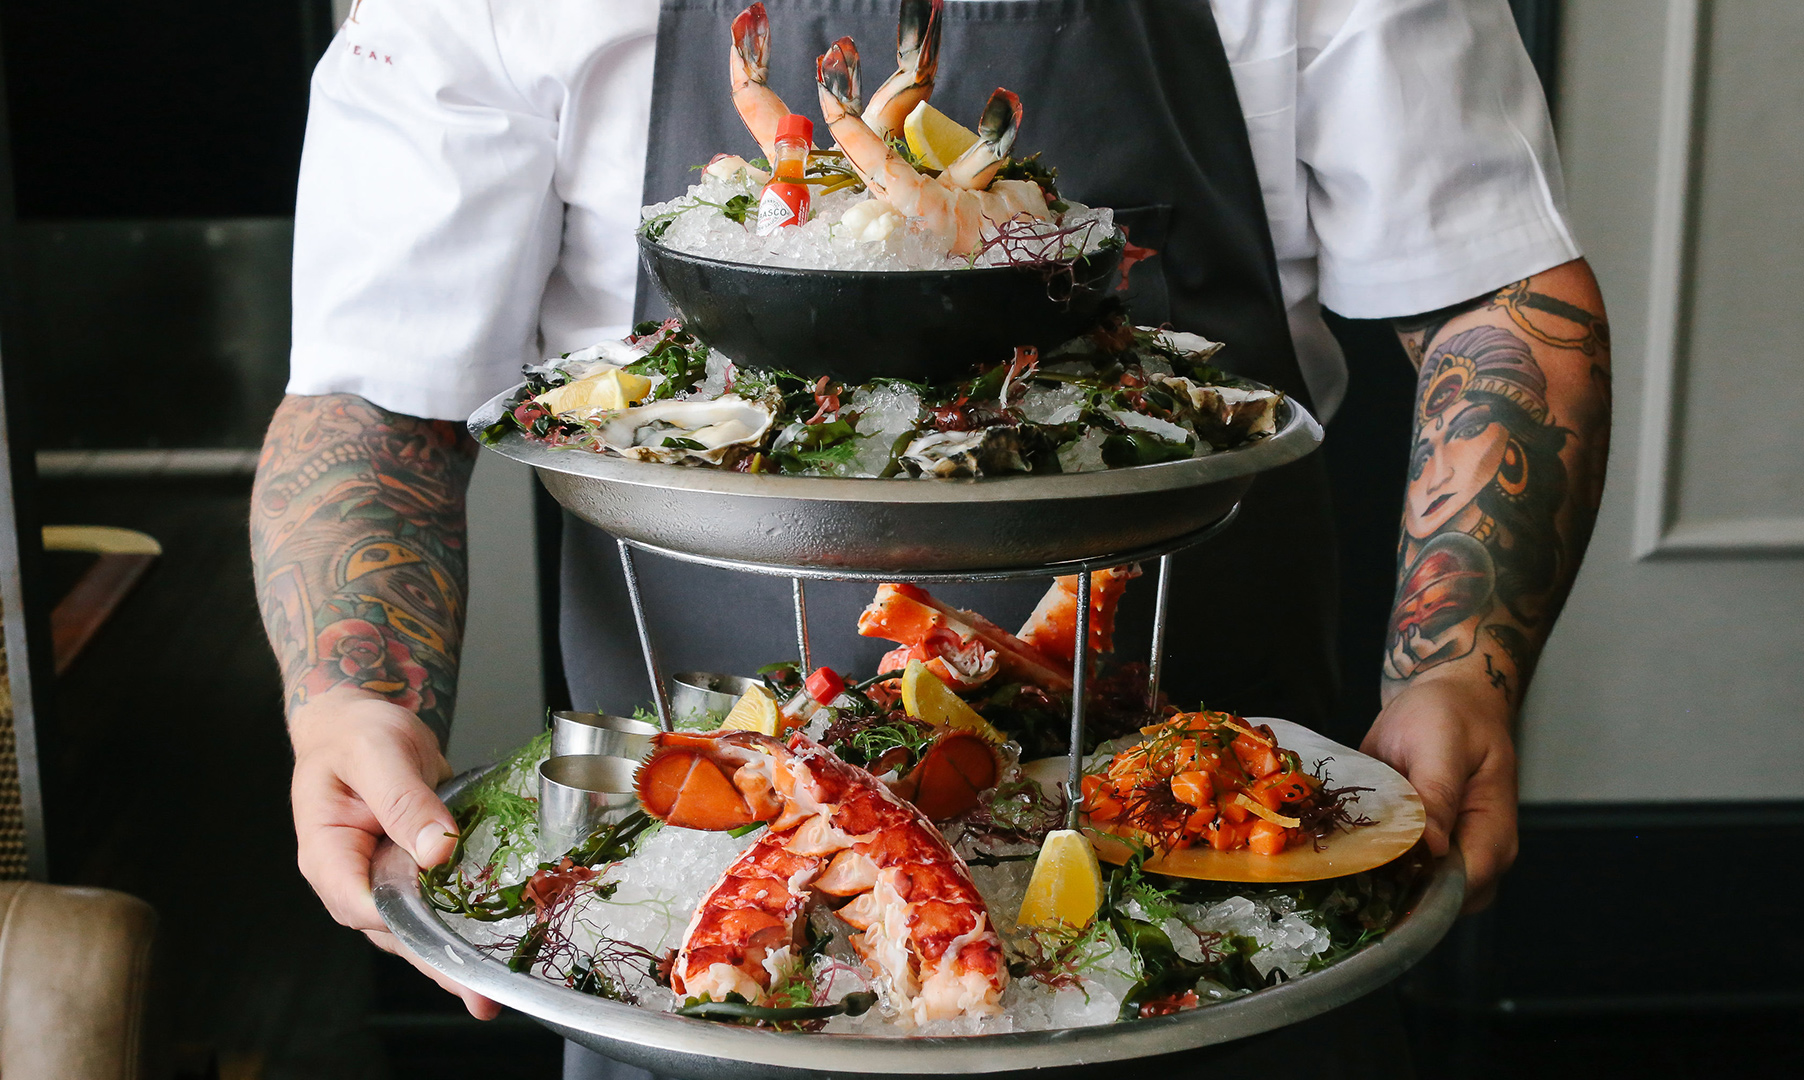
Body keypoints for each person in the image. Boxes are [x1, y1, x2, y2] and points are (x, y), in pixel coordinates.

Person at [252, 0, 1611, 1074]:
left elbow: (1496, 298)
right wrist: (348, 697)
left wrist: (1461, 667)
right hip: (706, 895)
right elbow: (377, 397)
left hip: (1215, 867)